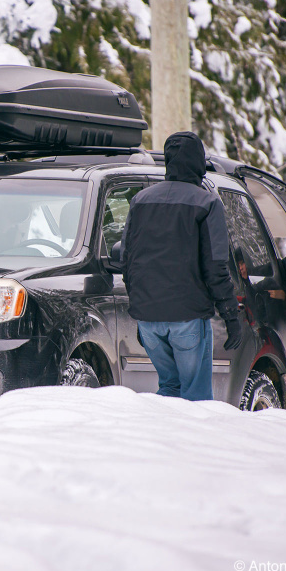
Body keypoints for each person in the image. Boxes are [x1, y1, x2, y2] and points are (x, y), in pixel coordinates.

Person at [121, 131, 244, 401]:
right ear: (198, 161)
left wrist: (141, 310)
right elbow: (215, 266)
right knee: (195, 396)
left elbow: (126, 260)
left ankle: (165, 441)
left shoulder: (140, 201)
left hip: (148, 320)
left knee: (169, 388)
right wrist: (231, 315)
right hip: (188, 317)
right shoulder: (207, 202)